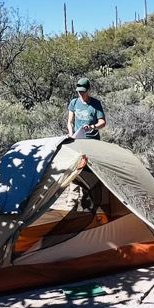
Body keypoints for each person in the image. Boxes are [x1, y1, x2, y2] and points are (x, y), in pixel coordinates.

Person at [65, 77, 106, 210]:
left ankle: (88, 204)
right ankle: (72, 203)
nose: (81, 94)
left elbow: (102, 122)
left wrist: (93, 127)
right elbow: (70, 121)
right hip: (78, 141)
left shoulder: (95, 104)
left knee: (90, 172)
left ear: (88, 90)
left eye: (83, 91)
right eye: (79, 92)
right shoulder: (74, 103)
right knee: (75, 171)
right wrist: (71, 133)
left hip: (92, 143)